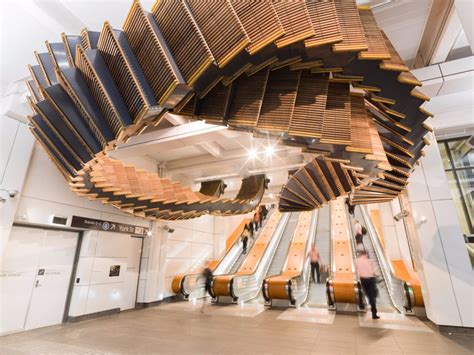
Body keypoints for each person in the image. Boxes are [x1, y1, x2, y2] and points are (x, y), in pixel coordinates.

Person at [355, 250, 380, 319]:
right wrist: (377, 275)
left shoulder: (356, 261)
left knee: (365, 293)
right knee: (372, 296)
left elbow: (356, 272)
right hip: (371, 279)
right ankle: (374, 313)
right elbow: (376, 271)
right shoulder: (370, 261)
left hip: (363, 280)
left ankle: (362, 305)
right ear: (366, 254)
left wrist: (357, 278)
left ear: (360, 254)